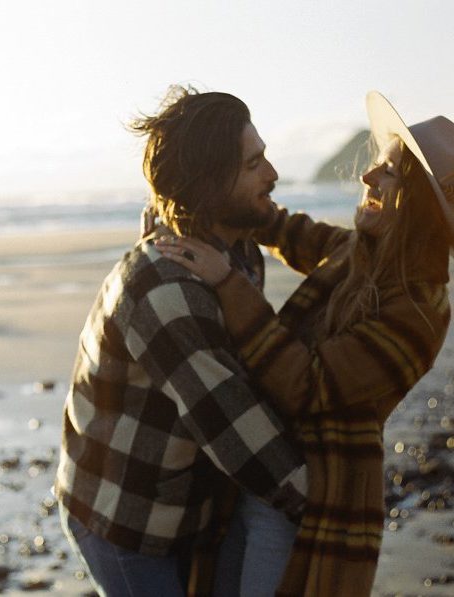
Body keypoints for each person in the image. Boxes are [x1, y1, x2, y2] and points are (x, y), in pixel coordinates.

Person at [155, 90, 454, 596]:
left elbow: (307, 386)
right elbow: (291, 231)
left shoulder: (420, 309)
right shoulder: (363, 252)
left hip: (314, 497)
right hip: (261, 476)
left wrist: (228, 283)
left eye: (389, 173)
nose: (367, 177)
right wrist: (206, 198)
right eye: (375, 166)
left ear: (423, 206)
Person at [54, 86, 308, 596]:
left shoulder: (235, 254)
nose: (273, 174)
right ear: (211, 186)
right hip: (123, 518)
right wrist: (328, 498)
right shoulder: (165, 290)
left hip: (185, 501)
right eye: (254, 163)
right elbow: (229, 420)